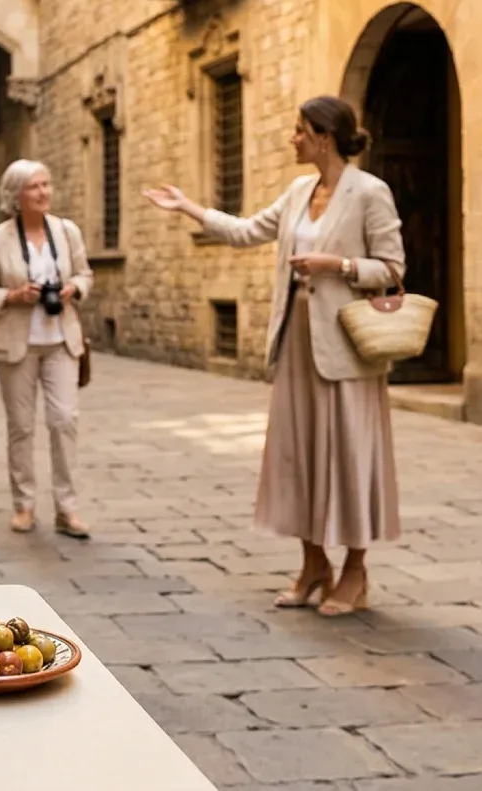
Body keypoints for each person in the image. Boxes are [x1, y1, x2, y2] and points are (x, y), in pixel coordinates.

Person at [143, 97, 405, 617]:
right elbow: (245, 232)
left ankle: (354, 570)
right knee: (297, 454)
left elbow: (392, 267)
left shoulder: (370, 193)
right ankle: (313, 565)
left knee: (349, 455)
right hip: (297, 342)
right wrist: (188, 208)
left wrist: (339, 264)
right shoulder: (297, 191)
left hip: (347, 347)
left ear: (325, 137)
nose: (292, 138)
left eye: (299, 130)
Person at [0, 160, 94, 539]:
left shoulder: (66, 231)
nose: (44, 192)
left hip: (61, 339)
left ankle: (67, 509)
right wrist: (13, 295)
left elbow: (84, 273)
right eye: (34, 187)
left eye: (46, 184)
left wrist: (75, 287)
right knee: (21, 427)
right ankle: (24, 505)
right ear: (16, 195)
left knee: (64, 420)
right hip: (16, 344)